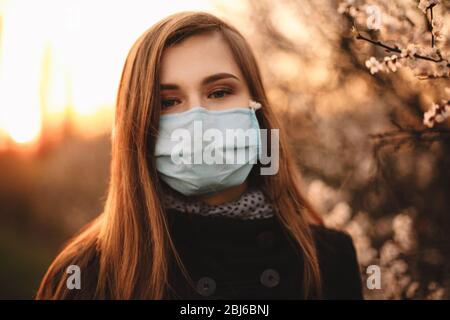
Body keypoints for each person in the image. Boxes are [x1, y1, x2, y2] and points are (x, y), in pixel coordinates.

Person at [36, 11, 363, 300]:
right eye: (167, 102)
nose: (197, 119)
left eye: (219, 92)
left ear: (257, 108)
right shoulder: (87, 274)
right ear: (138, 127)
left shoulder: (327, 260)